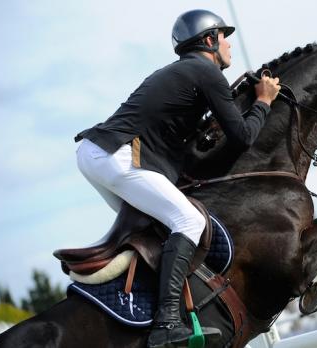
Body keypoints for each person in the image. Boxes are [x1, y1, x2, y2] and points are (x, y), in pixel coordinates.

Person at [74, 9, 280, 348]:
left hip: (98, 153)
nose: (229, 44)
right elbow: (242, 136)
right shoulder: (206, 71)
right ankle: (167, 322)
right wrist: (263, 101)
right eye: (223, 37)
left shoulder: (183, 72)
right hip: (115, 154)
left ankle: (144, 311)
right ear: (209, 40)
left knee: (153, 229)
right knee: (187, 220)